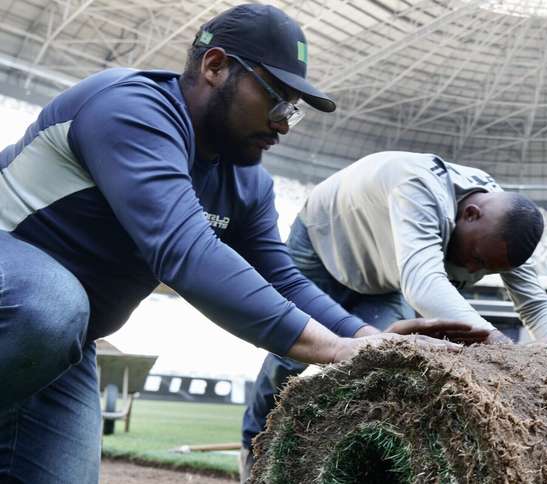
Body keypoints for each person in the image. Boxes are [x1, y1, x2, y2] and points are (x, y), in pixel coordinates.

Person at [0, 5, 464, 483]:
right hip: (27, 300)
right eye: (277, 100)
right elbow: (186, 251)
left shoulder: (247, 184)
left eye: (293, 111)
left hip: (64, 342)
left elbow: (282, 279)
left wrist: (367, 339)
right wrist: (333, 350)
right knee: (54, 303)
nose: (284, 124)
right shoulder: (132, 108)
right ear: (215, 66)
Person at [241, 151, 547, 474]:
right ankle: (253, 450)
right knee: (289, 358)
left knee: (373, 360)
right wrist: (502, 348)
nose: (475, 270)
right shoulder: (418, 184)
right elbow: (423, 284)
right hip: (323, 245)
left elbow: (533, 302)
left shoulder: (505, 227)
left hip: (383, 279)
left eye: (488, 268)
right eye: (478, 260)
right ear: (470, 214)